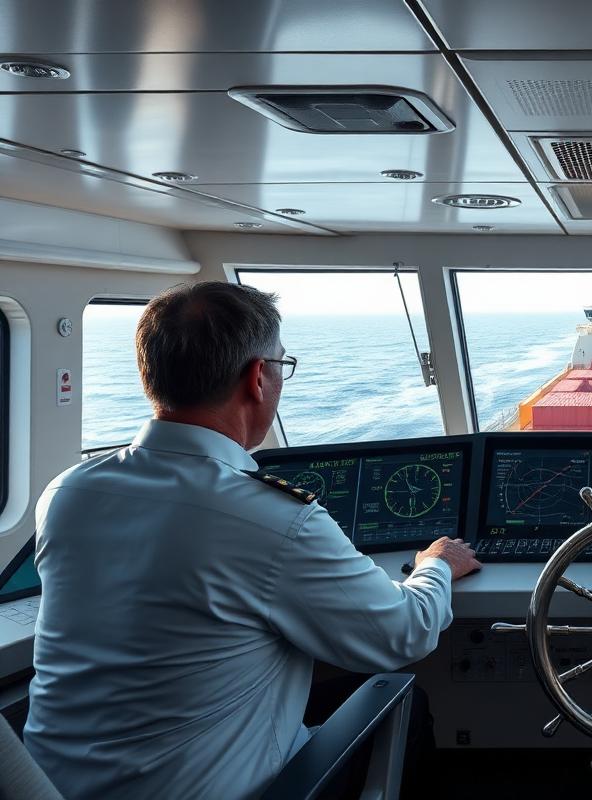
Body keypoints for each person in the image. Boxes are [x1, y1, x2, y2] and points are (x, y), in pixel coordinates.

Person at [24, 282, 482, 799]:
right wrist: (436, 564)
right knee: (403, 700)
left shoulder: (66, 492)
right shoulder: (272, 520)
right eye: (281, 366)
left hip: (53, 788)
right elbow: (403, 633)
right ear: (257, 378)